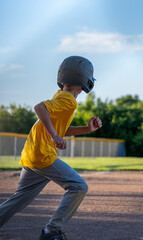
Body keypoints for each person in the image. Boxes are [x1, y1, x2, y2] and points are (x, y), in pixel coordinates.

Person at [0, 56, 102, 240]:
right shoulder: (69, 100)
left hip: (32, 154)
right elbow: (39, 108)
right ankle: (52, 231)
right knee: (79, 187)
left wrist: (87, 129)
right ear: (83, 79)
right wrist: (54, 136)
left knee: (19, 199)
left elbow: (60, 128)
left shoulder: (60, 95)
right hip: (43, 156)